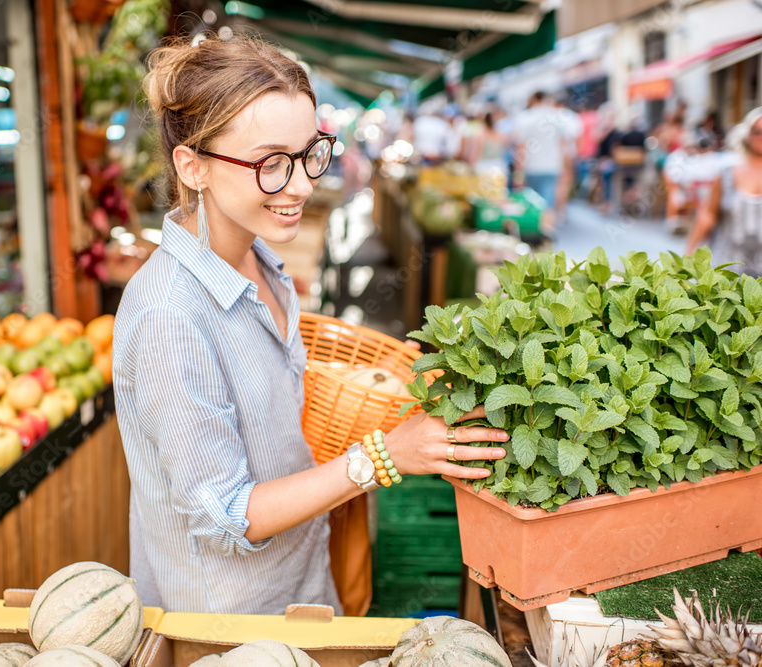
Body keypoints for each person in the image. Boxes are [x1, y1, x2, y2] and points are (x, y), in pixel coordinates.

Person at [114, 33, 508, 615]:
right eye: (271, 163)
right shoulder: (169, 316)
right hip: (227, 631)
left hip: (301, 589)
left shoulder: (260, 262)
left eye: (308, 154)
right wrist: (382, 457)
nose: (300, 184)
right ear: (192, 166)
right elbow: (227, 516)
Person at [687, 107, 762, 276]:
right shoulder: (728, 173)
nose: (761, 137)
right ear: (747, 135)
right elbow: (708, 214)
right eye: (757, 131)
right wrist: (689, 253)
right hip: (727, 270)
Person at [513, 91, 574, 234]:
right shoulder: (556, 117)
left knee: (532, 204)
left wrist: (518, 170)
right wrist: (567, 167)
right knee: (548, 204)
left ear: (533, 100)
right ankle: (547, 237)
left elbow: (521, 147)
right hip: (552, 167)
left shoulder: (526, 117)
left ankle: (536, 234)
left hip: (531, 167)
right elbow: (563, 146)